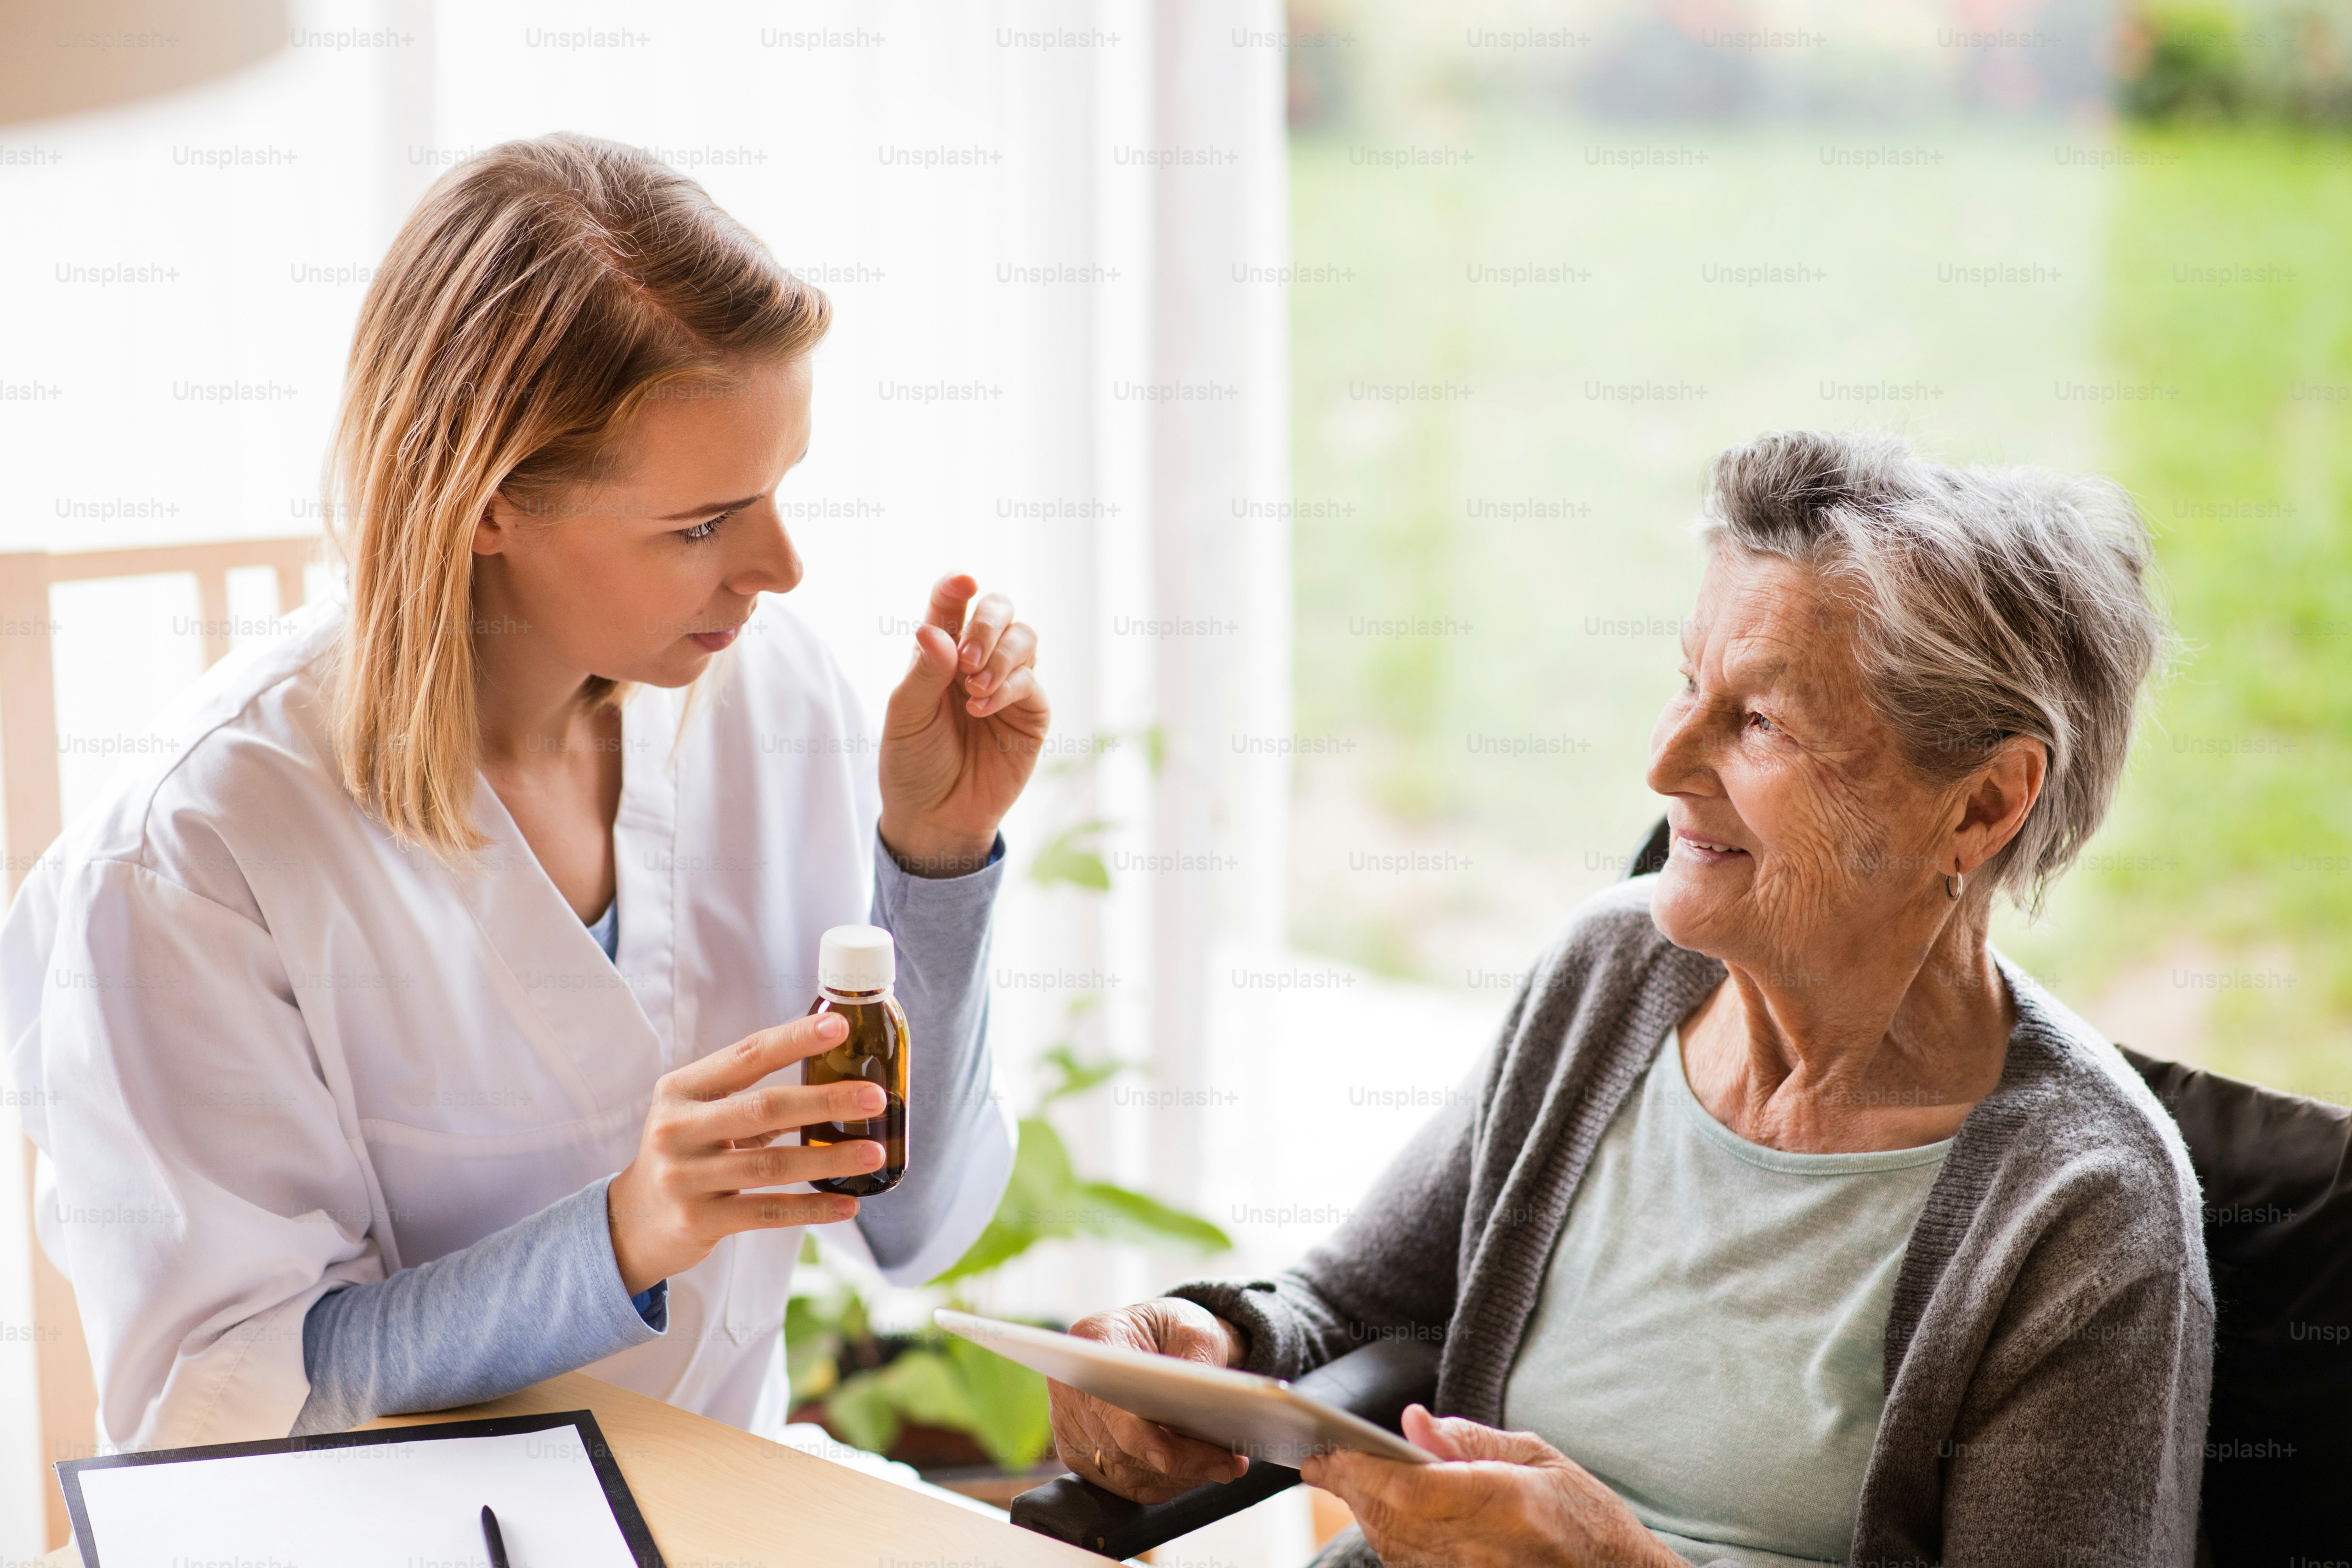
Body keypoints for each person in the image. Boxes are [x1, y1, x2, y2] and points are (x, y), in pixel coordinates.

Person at [4, 133, 1046, 1452]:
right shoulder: (200, 854)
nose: (780, 566)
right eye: (703, 524)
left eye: (779, 490)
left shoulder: (772, 702)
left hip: (729, 1504)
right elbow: (219, 1412)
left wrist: (938, 859)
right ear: (487, 503)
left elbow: (919, 1224)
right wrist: (619, 1235)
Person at [1050, 430, 2211, 1566]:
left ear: (1982, 805)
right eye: (1687, 683)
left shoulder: (2086, 1210)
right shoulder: (1614, 974)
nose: (1664, 763)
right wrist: (1212, 1342)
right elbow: (1360, 1312)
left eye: (1759, 721)